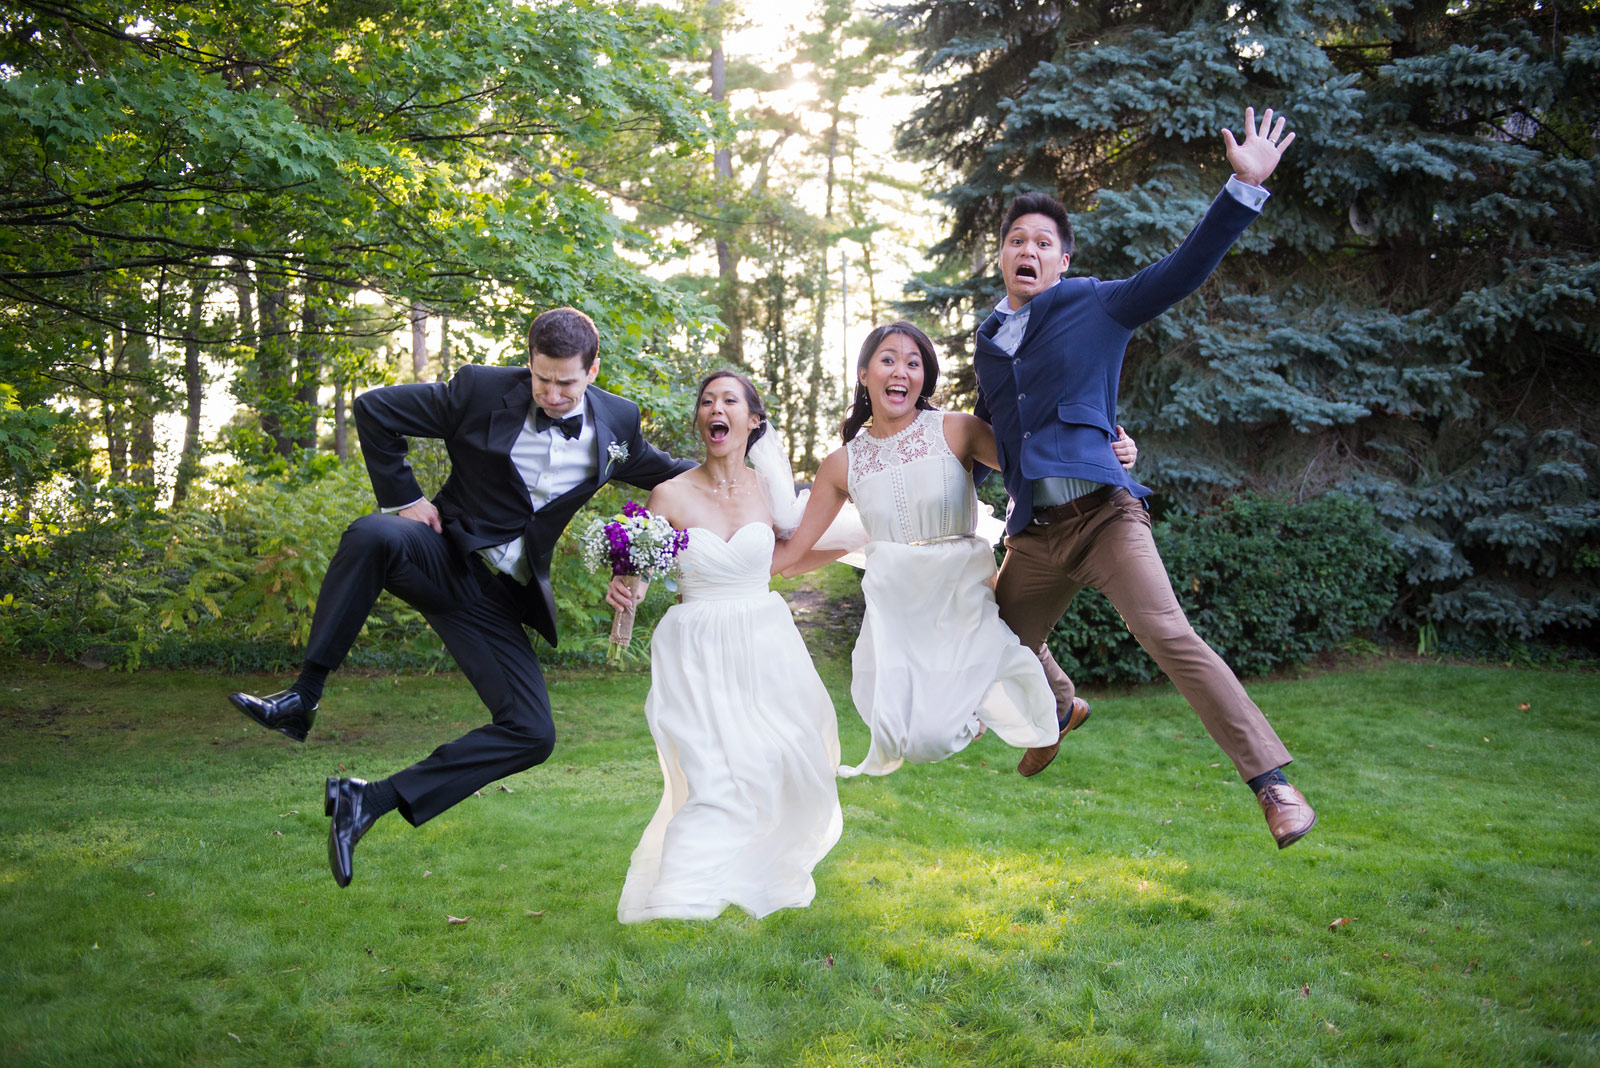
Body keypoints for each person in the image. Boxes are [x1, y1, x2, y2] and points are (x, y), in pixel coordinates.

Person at [228, 307, 694, 887]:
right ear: (528, 363)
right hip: (442, 555)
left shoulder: (619, 424)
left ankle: (366, 802)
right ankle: (303, 697)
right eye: (541, 377)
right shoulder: (478, 391)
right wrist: (404, 499)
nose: (551, 393)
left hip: (498, 600)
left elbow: (675, 476)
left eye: (566, 382)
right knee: (374, 532)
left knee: (532, 732)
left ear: (593, 371)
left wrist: (747, 472)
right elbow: (375, 409)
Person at [972, 105, 1316, 848]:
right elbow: (993, 426)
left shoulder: (1096, 302)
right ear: (1000, 258)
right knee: (984, 633)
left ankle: (1275, 786)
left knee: (1168, 634)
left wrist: (1242, 190)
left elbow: (1181, 271)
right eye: (1015, 241)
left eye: (1042, 242)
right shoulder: (989, 342)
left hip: (1104, 519)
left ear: (1063, 260)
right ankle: (1059, 705)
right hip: (1035, 535)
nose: (1027, 250)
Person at [770, 323, 1138, 777]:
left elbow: (1039, 463)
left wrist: (1110, 453)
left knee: (962, 710)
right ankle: (1057, 711)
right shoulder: (842, 463)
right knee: (907, 737)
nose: (900, 371)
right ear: (864, 374)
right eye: (888, 360)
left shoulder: (956, 429)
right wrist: (723, 571)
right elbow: (794, 551)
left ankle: (1048, 713)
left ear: (925, 377)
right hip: (899, 608)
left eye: (913, 362)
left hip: (963, 589)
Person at [609, 371, 843, 923]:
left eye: (729, 400)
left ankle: (765, 870)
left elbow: (792, 553)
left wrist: (866, 546)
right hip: (695, 648)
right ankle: (679, 895)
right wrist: (626, 589)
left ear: (752, 421)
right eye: (707, 401)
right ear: (700, 420)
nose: (716, 408)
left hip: (764, 639)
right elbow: (640, 573)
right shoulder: (669, 493)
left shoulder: (771, 493)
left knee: (787, 761)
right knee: (712, 771)